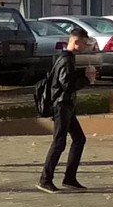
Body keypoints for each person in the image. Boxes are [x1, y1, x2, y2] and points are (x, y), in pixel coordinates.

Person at [37, 28, 89, 192]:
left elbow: (67, 79)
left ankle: (70, 178)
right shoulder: (66, 60)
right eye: (84, 43)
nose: (85, 47)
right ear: (76, 42)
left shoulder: (67, 59)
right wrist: (87, 79)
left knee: (79, 139)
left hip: (66, 106)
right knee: (59, 142)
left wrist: (82, 75)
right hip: (62, 106)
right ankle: (45, 179)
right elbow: (66, 84)